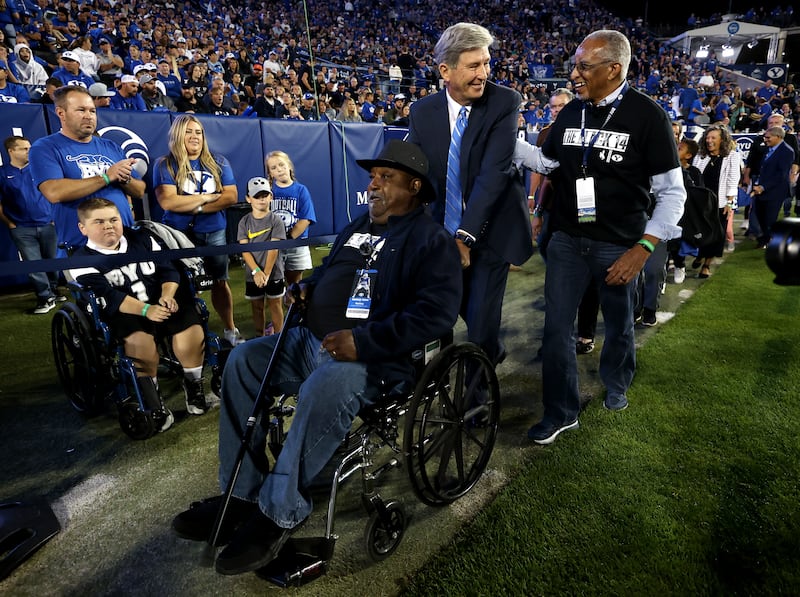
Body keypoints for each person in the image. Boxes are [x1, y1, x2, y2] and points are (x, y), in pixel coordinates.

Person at [171, 139, 461, 575]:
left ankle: (277, 512)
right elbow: (332, 270)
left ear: (415, 186)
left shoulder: (431, 240)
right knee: (242, 361)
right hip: (311, 340)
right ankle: (242, 495)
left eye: (386, 178)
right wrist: (308, 287)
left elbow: (436, 315)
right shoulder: (361, 223)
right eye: (372, 177)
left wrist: (364, 342)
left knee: (327, 386)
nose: (374, 185)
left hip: (375, 361)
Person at [519, 30, 685, 443]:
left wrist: (643, 248)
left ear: (614, 69)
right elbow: (547, 161)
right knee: (557, 328)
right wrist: (502, 139)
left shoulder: (648, 116)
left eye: (583, 66)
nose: (574, 74)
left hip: (620, 244)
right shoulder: (572, 110)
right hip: (567, 240)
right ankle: (561, 411)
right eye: (575, 65)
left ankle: (617, 383)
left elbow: (672, 194)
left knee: (619, 325)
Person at [408, 22, 532, 365]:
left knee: (479, 326)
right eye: (474, 65)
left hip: (489, 234)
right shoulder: (422, 111)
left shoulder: (504, 102)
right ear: (445, 70)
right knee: (443, 316)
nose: (484, 74)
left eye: (487, 63)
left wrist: (464, 236)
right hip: (440, 236)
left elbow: (494, 175)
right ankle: (487, 355)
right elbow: (415, 173)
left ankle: (477, 406)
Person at [68, 198, 206, 426]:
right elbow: (110, 297)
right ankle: (153, 400)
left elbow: (169, 270)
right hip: (125, 312)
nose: (108, 226)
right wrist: (145, 310)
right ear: (83, 228)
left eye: (113, 219)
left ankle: (193, 385)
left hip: (160, 302)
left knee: (190, 329)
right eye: (99, 222)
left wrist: (168, 294)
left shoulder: (143, 238)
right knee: (140, 344)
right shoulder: (81, 260)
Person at [152, 114, 243, 346]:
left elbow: (231, 196)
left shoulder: (218, 161)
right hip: (180, 235)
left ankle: (230, 328)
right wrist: (207, 198)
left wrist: (194, 206)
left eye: (198, 132)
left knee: (220, 281)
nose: (194, 137)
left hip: (214, 231)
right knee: (185, 285)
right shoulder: (165, 164)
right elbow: (169, 203)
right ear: (177, 135)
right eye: (189, 132)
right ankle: (190, 333)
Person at [28, 86, 141, 251]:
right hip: (79, 246)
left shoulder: (111, 146)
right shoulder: (45, 147)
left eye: (92, 111)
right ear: (61, 113)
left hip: (125, 242)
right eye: (81, 110)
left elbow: (139, 191)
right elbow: (54, 192)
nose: (88, 116)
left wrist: (125, 178)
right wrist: (107, 177)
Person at [0, 135, 64, 313]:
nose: (30, 151)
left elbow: (56, 193)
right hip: (22, 228)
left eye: (30, 147)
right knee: (33, 264)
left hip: (48, 224)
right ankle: (45, 297)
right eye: (24, 148)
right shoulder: (2, 173)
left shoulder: (41, 169)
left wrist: (54, 217)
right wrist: (11, 224)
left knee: (51, 260)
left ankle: (54, 289)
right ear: (11, 151)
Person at [238, 177, 286, 337]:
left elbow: (273, 249)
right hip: (253, 274)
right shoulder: (244, 222)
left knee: (275, 305)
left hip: (274, 273)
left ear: (271, 197)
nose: (261, 199)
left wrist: (265, 273)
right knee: (257, 307)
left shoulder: (276, 220)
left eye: (265, 195)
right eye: (257, 196)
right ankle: (260, 338)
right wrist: (256, 271)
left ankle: (280, 339)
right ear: (248, 198)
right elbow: (245, 250)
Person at [691, 124, 741, 277]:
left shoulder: (732, 156)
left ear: (722, 140)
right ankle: (700, 254)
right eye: (707, 137)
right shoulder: (700, 156)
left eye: (713, 138)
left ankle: (706, 264)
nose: (709, 140)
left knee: (716, 235)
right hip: (701, 203)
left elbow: (733, 180)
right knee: (700, 232)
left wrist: (729, 203)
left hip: (720, 203)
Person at [265, 150, 316, 288]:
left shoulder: (301, 190)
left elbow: (306, 218)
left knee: (295, 285)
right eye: (274, 168)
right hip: (274, 245)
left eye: (281, 165)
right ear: (270, 173)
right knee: (275, 283)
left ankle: (295, 308)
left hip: (296, 244)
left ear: (289, 166)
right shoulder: (267, 191)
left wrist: (288, 237)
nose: (279, 169)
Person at [750, 126, 795, 248]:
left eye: (768, 137)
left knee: (770, 218)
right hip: (762, 189)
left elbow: (781, 175)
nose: (765, 139)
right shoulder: (768, 149)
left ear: (778, 137)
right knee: (760, 215)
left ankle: (771, 241)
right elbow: (763, 169)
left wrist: (763, 187)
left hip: (775, 191)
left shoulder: (787, 151)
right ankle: (765, 239)